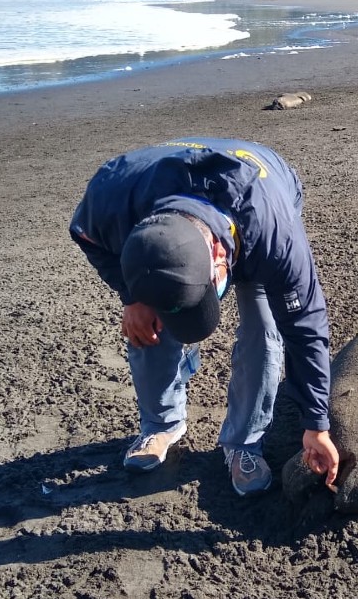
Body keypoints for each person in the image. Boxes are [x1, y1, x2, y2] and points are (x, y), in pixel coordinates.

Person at [70, 138, 341, 496]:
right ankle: (161, 424)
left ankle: (244, 443)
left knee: (265, 327)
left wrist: (316, 425)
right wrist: (131, 294)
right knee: (145, 318)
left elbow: (306, 328)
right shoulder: (112, 198)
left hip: (261, 191)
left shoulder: (275, 236)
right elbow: (85, 235)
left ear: (217, 256)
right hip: (157, 195)